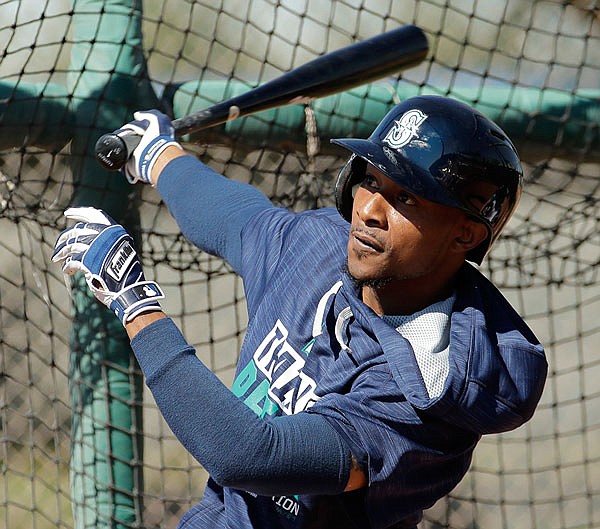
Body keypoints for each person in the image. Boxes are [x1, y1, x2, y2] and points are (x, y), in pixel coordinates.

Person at [53, 95, 548, 529]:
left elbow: (248, 455)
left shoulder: (429, 391)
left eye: (404, 198)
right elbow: (237, 221)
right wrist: (159, 156)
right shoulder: (324, 251)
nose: (369, 209)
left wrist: (135, 303)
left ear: (465, 233)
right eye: (370, 181)